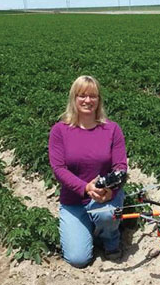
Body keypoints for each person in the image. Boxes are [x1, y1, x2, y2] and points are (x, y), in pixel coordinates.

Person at [48, 75, 127, 268]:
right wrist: (85, 188)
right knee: (78, 259)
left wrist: (111, 190)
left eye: (93, 96)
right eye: (82, 95)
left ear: (99, 100)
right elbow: (58, 168)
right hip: (74, 201)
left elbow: (120, 167)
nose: (87, 101)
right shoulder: (60, 130)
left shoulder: (112, 129)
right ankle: (89, 226)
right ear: (73, 99)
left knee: (105, 214)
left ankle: (110, 239)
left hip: (106, 196)